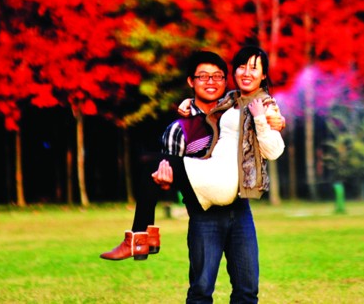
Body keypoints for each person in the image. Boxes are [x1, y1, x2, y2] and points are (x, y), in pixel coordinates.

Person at [99, 50, 285, 262]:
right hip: (209, 195)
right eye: (203, 77)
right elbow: (214, 109)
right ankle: (143, 238)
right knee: (152, 165)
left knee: (149, 164)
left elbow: (272, 143)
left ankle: (140, 239)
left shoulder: (252, 107)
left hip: (230, 191)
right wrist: (188, 102)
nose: (210, 82)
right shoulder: (222, 107)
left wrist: (269, 119)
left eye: (217, 76)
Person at [170, 45, 285, 303]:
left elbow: (274, 150)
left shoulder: (267, 106)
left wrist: (265, 121)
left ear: (263, 75)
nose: (246, 72)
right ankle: (141, 234)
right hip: (207, 209)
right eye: (242, 66)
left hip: (240, 207)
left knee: (247, 288)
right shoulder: (229, 100)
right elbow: (205, 108)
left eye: (254, 68)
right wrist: (188, 102)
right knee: (201, 289)